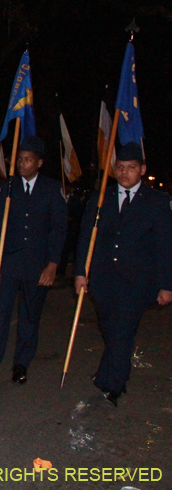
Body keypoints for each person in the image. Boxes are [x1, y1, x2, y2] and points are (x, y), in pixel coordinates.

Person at [74, 142, 172, 406]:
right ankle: (110, 372)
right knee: (109, 328)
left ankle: (114, 384)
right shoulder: (100, 198)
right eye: (120, 167)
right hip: (104, 279)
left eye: (131, 168)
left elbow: (165, 245)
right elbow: (86, 238)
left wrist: (166, 284)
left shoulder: (157, 202)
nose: (125, 173)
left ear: (142, 169)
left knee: (123, 331)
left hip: (137, 281)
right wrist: (81, 272)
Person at [0, 135, 66, 387]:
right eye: (19, 159)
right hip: (9, 264)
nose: (22, 164)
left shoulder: (51, 189)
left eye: (27, 160)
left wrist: (52, 264)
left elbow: (58, 230)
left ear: (39, 163)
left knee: (29, 317)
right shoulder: (8, 186)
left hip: (37, 266)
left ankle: (21, 365)